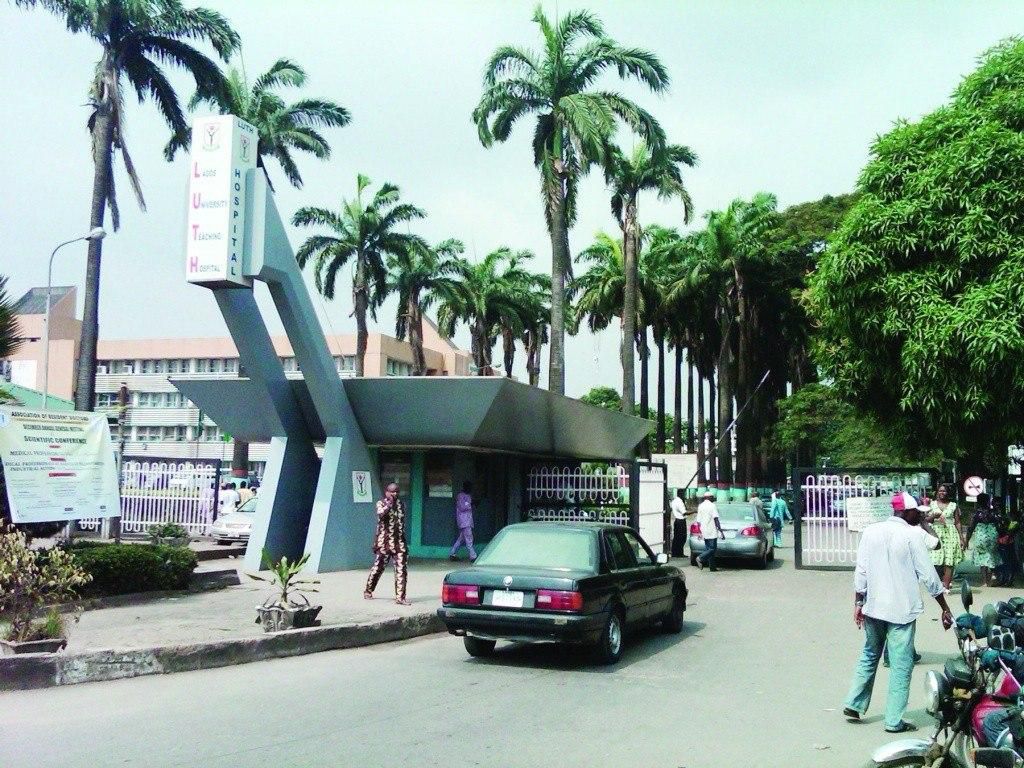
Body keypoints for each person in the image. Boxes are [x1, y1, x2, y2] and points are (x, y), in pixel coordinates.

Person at [843, 491, 953, 733]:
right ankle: (893, 721)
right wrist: (945, 608)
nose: (919, 516)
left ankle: (854, 703)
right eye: (917, 512)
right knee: (901, 665)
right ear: (907, 512)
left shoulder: (871, 531)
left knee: (870, 654)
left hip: (874, 607)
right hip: (902, 610)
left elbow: (861, 571)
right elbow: (929, 576)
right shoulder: (912, 535)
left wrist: (858, 603)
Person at [364, 483, 410, 605]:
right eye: (392, 492)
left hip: (399, 543)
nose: (395, 494)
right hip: (384, 543)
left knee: (401, 570)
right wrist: (389, 504)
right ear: (386, 492)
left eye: (397, 492)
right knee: (378, 568)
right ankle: (368, 590)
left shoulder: (402, 505)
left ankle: (400, 597)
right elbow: (381, 514)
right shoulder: (381, 504)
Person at [928, 484, 965, 591]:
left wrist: (961, 538)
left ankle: (946, 586)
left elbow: (957, 522)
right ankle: (939, 581)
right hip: (936, 533)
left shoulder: (953, 505)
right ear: (937, 492)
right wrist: (933, 516)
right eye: (940, 491)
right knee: (935, 559)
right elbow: (926, 520)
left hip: (950, 534)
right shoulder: (932, 504)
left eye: (944, 491)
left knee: (949, 560)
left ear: (948, 493)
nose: (942, 493)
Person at [968, 492, 1000, 587]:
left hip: (981, 536)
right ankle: (994, 573)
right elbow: (999, 524)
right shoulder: (993, 512)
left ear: (978, 501)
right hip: (992, 535)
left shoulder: (976, 513)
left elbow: (970, 528)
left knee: (982, 557)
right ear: (988, 501)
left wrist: (966, 541)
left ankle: (985, 581)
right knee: (992, 554)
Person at [695, 490, 724, 571]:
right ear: (710, 497)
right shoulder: (712, 505)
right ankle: (700, 558)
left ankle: (712, 567)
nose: (713, 498)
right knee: (712, 549)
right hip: (711, 529)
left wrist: (700, 531)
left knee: (708, 549)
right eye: (712, 497)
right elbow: (716, 518)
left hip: (704, 530)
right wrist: (720, 530)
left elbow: (698, 521)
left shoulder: (700, 506)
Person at [449, 482, 477, 562]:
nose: (471, 489)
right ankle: (473, 556)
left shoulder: (467, 496)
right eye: (469, 487)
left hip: (465, 521)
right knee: (469, 538)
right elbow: (462, 507)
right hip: (464, 521)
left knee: (461, 539)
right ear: (466, 487)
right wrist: (471, 504)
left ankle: (452, 553)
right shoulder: (461, 496)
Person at [671, 489, 690, 558]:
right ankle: (679, 553)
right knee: (682, 538)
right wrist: (695, 511)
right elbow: (684, 513)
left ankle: (676, 553)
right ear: (680, 494)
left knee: (677, 537)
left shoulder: (674, 501)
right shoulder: (679, 502)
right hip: (681, 521)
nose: (684, 495)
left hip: (677, 521)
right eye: (683, 494)